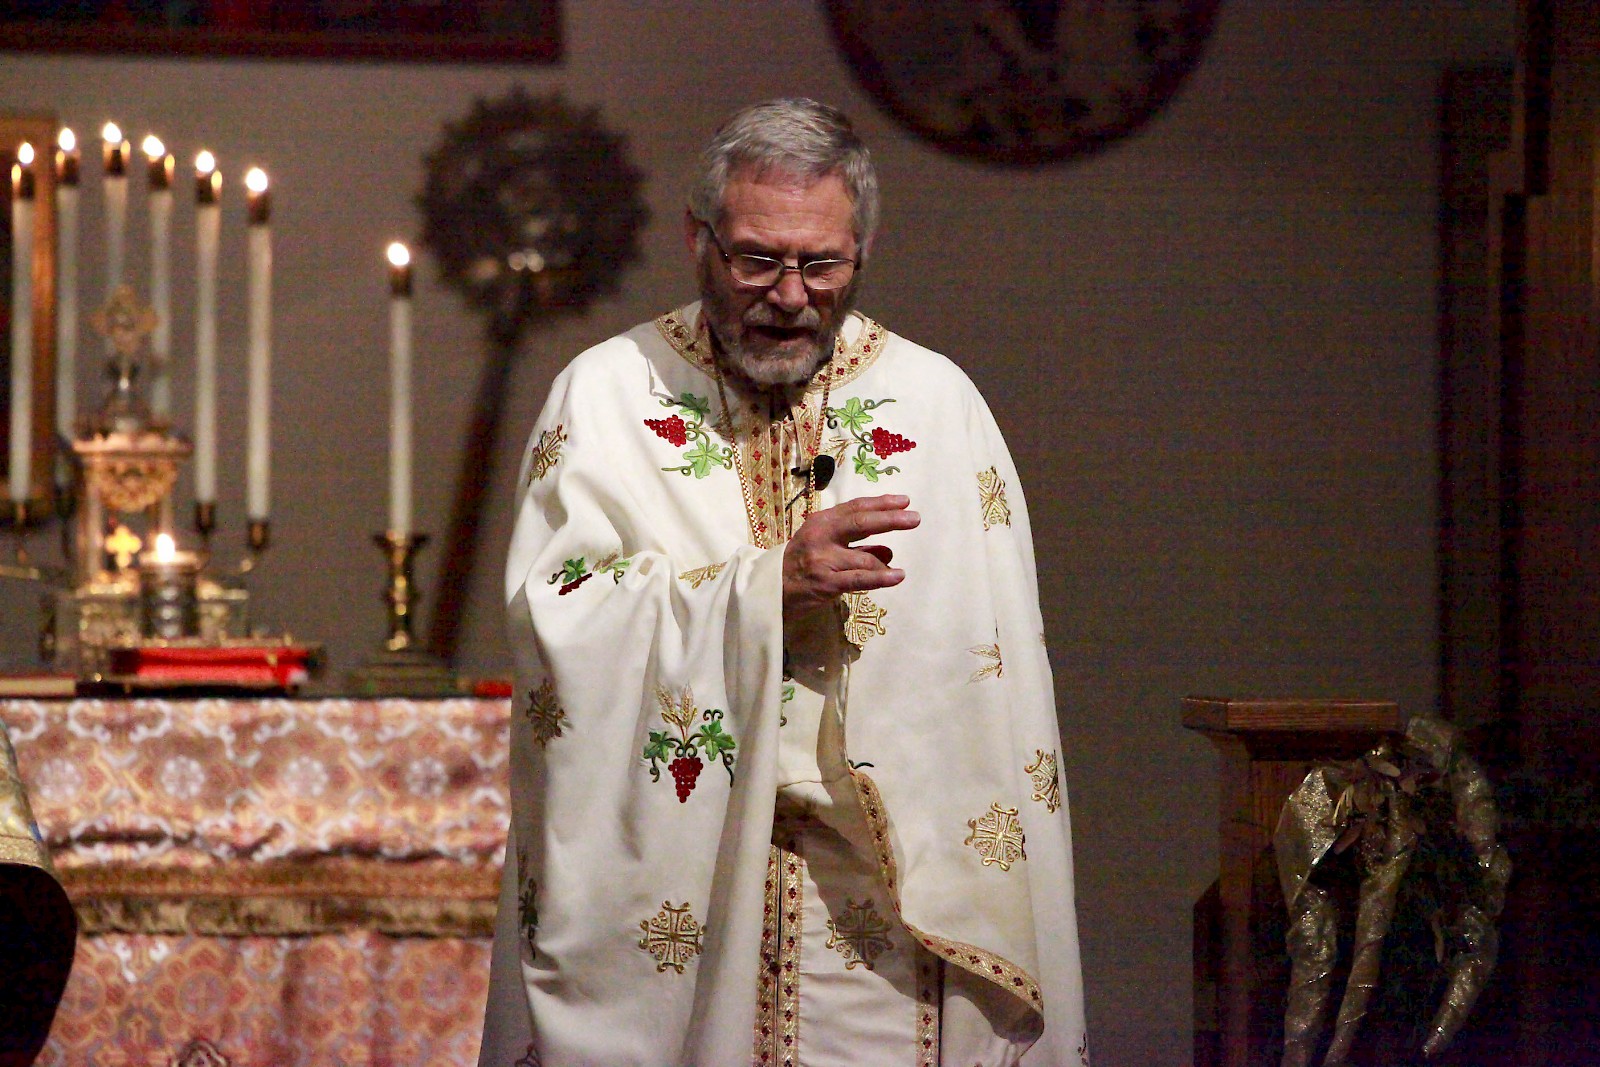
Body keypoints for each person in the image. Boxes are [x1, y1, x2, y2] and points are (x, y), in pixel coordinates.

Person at [480, 98, 1087, 1066]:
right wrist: (764, 590)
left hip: (892, 933)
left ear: (863, 249)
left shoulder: (939, 407)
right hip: (687, 906)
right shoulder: (607, 396)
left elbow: (997, 690)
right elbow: (560, 623)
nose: (791, 295)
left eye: (823, 264)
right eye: (757, 260)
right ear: (699, 240)